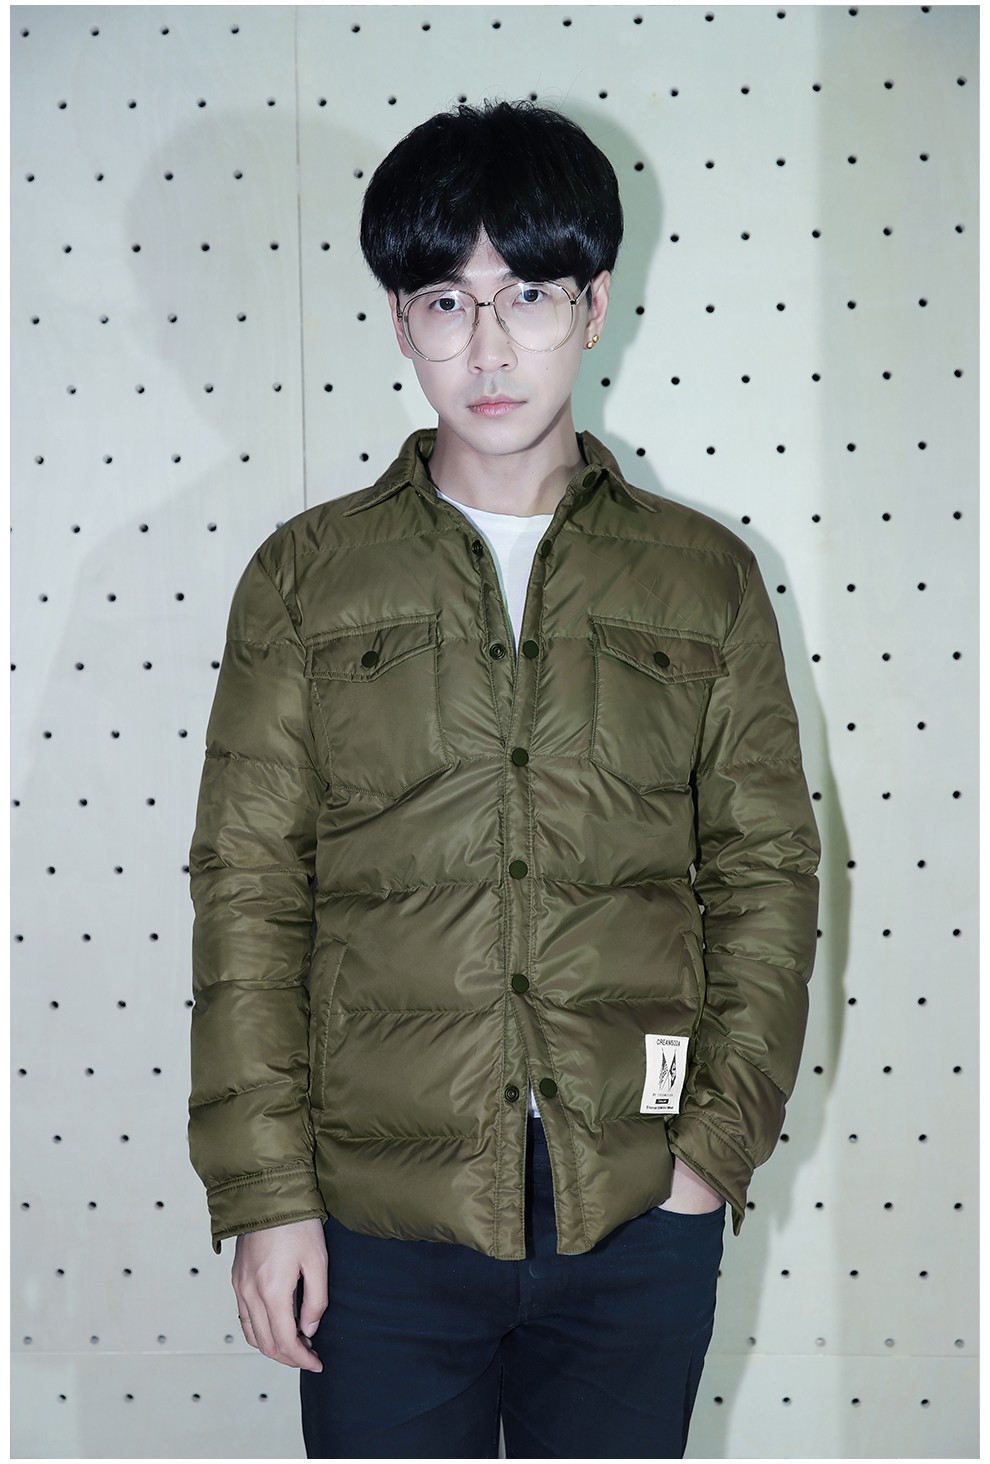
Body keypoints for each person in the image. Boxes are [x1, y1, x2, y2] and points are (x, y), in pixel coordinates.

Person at [187, 99, 820, 1459]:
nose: (487, 347)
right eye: (445, 302)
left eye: (527, 294)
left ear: (594, 306)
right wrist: (267, 1194)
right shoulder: (306, 578)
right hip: (378, 1222)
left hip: (637, 1204)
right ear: (399, 321)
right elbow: (248, 893)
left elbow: (765, 874)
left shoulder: (702, 578)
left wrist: (708, 1152)